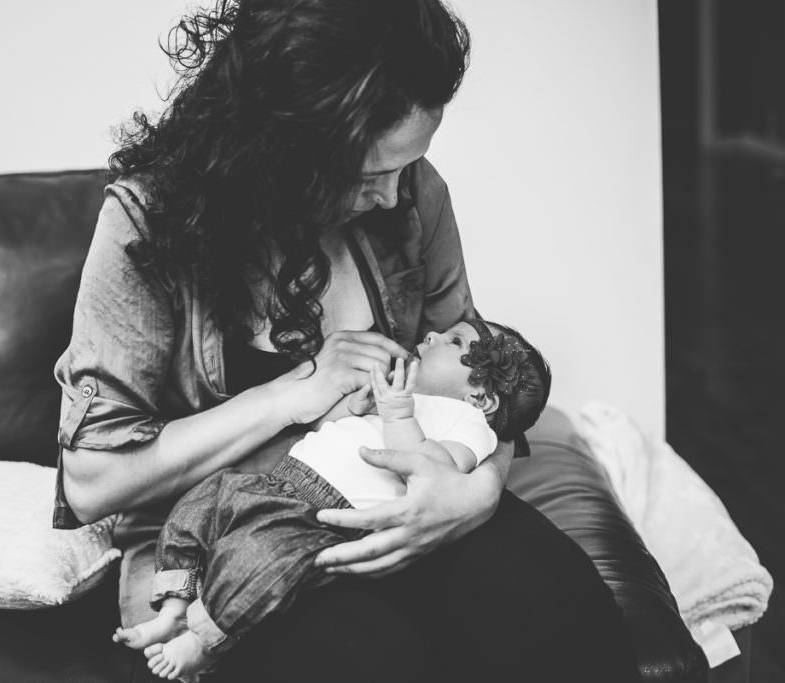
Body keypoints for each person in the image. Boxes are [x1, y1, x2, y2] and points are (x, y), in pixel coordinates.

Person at [53, 1, 639, 680]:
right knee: (369, 661)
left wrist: (470, 496)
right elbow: (93, 480)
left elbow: (488, 387)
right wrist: (295, 393)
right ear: (282, 144)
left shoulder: (414, 197)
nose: (395, 198)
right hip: (230, 537)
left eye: (406, 168)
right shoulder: (146, 224)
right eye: (369, 176)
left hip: (391, 502)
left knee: (562, 611)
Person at [115, 319, 551, 681]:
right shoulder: (405, 395)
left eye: (454, 342)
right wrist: (355, 409)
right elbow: (330, 431)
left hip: (322, 515)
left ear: (483, 397)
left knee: (257, 560)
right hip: (280, 480)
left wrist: (398, 412)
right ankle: (173, 604)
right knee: (196, 506)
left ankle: (205, 636)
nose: (434, 335)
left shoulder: (469, 424)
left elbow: (429, 467)